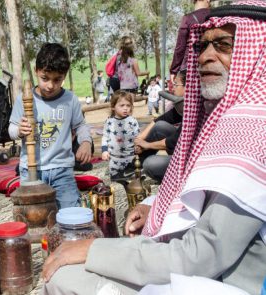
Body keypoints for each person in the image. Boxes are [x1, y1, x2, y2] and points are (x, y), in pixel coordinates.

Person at [41, 2, 266, 294]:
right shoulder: (223, 117)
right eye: (203, 46)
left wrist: (96, 249)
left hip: (224, 282)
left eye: (224, 45)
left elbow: (202, 255)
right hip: (197, 265)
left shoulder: (254, 129)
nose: (206, 57)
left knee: (66, 279)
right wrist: (156, 207)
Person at [9, 43, 92, 209]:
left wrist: (86, 142)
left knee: (71, 211)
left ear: (65, 76)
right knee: (31, 214)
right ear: (36, 71)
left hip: (62, 169)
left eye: (57, 80)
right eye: (44, 78)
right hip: (31, 170)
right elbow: (11, 129)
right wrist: (19, 130)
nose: (50, 85)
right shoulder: (23, 99)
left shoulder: (70, 99)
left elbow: (80, 126)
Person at [135, 70, 186, 183]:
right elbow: (159, 120)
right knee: (160, 126)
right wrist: (140, 140)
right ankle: (135, 166)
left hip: (192, 159)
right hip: (183, 150)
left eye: (176, 85)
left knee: (150, 164)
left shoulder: (194, 108)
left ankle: (179, 181)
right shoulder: (184, 105)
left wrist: (147, 145)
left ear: (187, 87)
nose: (173, 88)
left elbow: (173, 141)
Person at [101, 91, 139, 181]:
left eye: (128, 105)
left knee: (131, 178)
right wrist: (104, 151)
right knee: (115, 180)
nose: (125, 108)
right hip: (114, 158)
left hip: (129, 157)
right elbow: (105, 136)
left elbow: (138, 137)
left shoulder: (132, 121)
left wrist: (138, 147)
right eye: (122, 105)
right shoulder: (109, 122)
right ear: (113, 107)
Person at [169, 0, 210, 83]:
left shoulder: (187, 19)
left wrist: (174, 70)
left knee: (189, 95)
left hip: (190, 66)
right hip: (212, 63)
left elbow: (180, 47)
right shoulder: (217, 16)